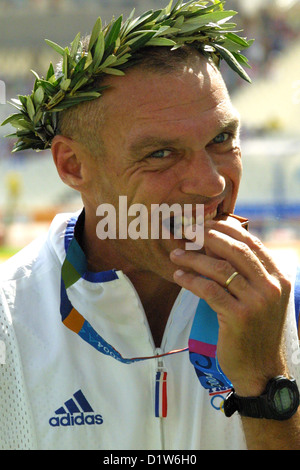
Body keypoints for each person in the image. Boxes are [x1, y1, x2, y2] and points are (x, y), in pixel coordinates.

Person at [0, 1, 300, 451]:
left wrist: (266, 384)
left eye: (221, 139)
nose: (212, 183)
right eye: (160, 153)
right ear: (73, 165)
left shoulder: (288, 302)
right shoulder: (9, 321)